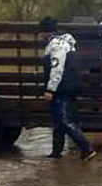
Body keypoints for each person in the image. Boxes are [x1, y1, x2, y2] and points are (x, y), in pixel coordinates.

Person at [39, 17, 96, 161]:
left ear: (46, 32)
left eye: (41, 32)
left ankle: (87, 149)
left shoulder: (56, 45)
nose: (40, 35)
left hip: (62, 87)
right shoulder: (65, 43)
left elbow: (57, 68)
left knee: (64, 121)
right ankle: (56, 152)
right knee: (58, 121)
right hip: (69, 86)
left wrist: (50, 89)